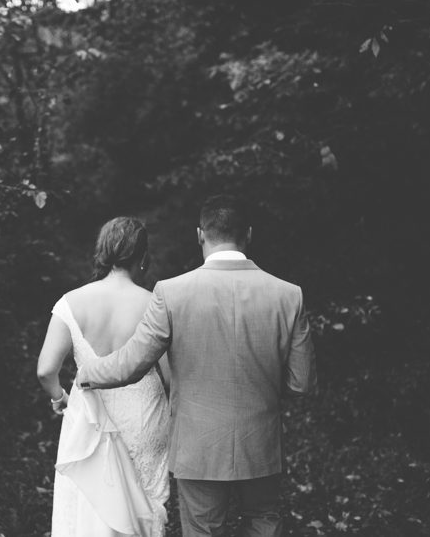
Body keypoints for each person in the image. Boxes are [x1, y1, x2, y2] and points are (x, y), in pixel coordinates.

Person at [76, 195, 317, 537]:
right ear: (248, 234)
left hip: (198, 447)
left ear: (200, 235)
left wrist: (86, 374)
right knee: (264, 522)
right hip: (261, 445)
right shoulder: (288, 295)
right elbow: (301, 382)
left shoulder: (171, 293)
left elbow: (130, 364)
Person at [37, 216, 171, 537]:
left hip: (90, 418)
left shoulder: (71, 302)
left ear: (103, 250)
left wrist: (59, 397)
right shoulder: (155, 303)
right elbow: (170, 377)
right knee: (145, 506)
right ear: (143, 256)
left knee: (91, 509)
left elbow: (45, 370)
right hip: (144, 416)